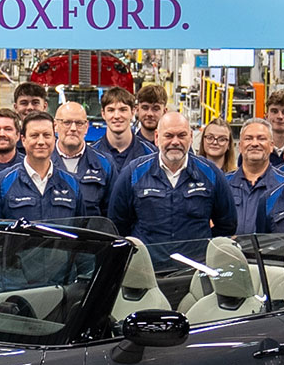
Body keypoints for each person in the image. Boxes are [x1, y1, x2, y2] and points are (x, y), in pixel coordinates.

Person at [110, 111, 237, 248]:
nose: (175, 142)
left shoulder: (210, 173)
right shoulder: (134, 173)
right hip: (148, 267)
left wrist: (201, 246)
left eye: (182, 135)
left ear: (191, 137)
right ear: (157, 138)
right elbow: (117, 224)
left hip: (195, 266)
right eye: (169, 136)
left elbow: (227, 224)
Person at [0, 112, 84, 222]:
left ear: (54, 139)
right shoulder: (2, 183)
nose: (41, 142)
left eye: (47, 135)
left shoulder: (72, 183)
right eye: (34, 136)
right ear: (23, 140)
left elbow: (82, 230)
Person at [53, 101, 113, 217]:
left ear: (86, 127)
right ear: (55, 126)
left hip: (91, 233)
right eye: (67, 122)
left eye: (79, 123)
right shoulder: (43, 162)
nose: (73, 128)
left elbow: (113, 212)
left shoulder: (105, 164)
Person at [228, 119, 284, 235]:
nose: (254, 143)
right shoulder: (223, 184)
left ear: (271, 146)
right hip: (228, 252)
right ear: (240, 146)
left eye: (261, 138)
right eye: (248, 138)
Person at [92, 87, 154, 177]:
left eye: (123, 110)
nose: (116, 116)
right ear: (103, 114)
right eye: (111, 110)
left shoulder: (151, 154)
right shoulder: (91, 155)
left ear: (133, 112)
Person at [134, 84, 168, 149]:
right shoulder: (128, 145)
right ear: (137, 110)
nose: (150, 114)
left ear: (164, 112)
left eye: (156, 108)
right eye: (145, 108)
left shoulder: (174, 145)